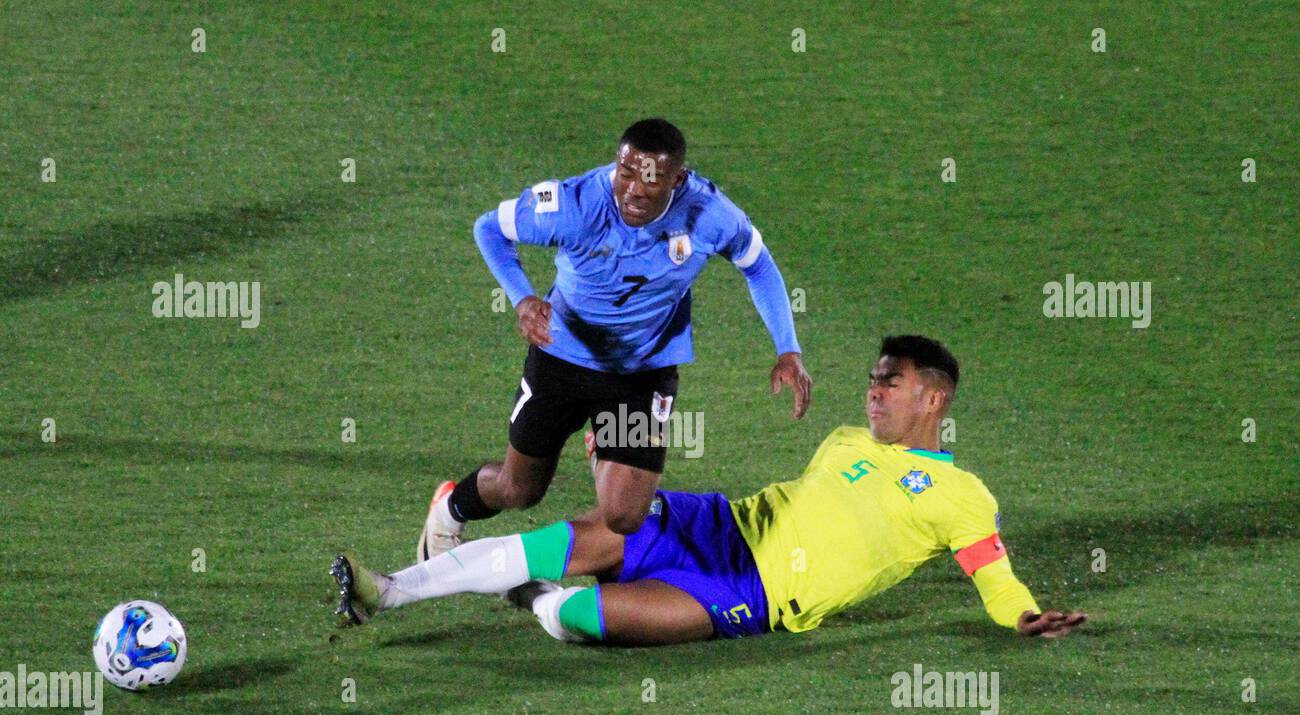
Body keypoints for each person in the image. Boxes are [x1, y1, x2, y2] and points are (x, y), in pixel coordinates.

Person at [337, 335, 1086, 645]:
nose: (874, 392)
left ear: (936, 398)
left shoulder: (962, 496)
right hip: (716, 524)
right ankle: (387, 590)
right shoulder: (846, 441)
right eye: (872, 379)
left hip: (749, 594)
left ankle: (529, 594)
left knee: (574, 617)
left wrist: (1021, 614)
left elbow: (992, 570)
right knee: (556, 539)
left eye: (892, 382)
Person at [416, 118, 812, 562]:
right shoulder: (574, 204)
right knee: (519, 489)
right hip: (560, 361)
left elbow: (758, 265)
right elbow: (489, 229)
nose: (634, 191)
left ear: (677, 180)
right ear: (616, 165)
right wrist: (523, 299)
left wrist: (787, 348)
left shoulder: (709, 214)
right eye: (626, 174)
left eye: (651, 180)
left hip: (641, 375)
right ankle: (450, 508)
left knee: (624, 516)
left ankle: (605, 442)